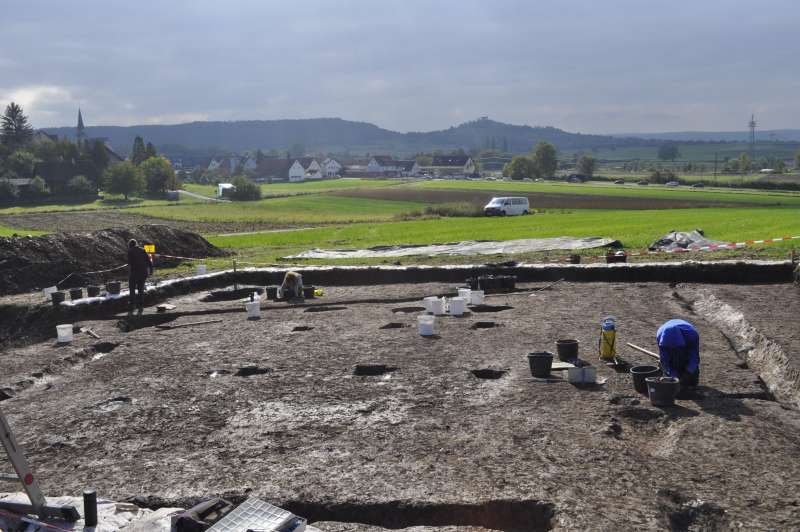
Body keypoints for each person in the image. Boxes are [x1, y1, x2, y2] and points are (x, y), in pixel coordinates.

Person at [656, 319, 700, 387]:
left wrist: (688, 372)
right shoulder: (660, 336)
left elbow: (694, 357)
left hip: (686, 343)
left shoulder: (692, 335)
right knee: (669, 377)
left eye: (675, 348)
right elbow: (664, 359)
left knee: (693, 382)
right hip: (670, 346)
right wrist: (674, 376)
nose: (673, 349)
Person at [127, 239, 153, 313]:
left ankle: (132, 305)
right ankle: (140, 305)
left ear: (130, 245)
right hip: (143, 273)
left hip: (134, 273)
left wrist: (129, 273)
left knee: (132, 289)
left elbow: (129, 263)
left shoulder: (130, 251)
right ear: (136, 244)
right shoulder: (143, 250)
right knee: (140, 289)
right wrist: (151, 270)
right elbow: (149, 261)